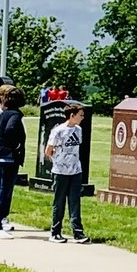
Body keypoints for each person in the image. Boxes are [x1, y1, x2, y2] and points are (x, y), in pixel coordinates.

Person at [45, 101, 89, 244]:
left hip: (76, 171)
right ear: (72, 115)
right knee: (59, 202)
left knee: (75, 201)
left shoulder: (78, 130)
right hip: (60, 171)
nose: (82, 117)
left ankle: (78, 232)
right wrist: (58, 160)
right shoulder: (58, 131)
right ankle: (55, 231)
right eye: (80, 115)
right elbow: (48, 151)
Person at [0, 85, 26, 238]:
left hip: (0, 154)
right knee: (1, 191)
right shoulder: (15, 115)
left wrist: (0, 141)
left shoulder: (3, 114)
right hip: (7, 156)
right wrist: (12, 145)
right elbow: (10, 130)